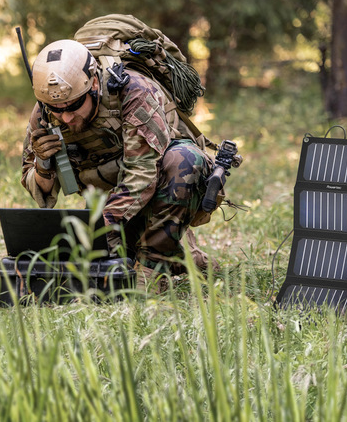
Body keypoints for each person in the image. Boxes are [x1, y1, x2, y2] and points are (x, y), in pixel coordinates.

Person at [21, 38, 219, 291]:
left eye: (74, 105)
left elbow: (143, 174)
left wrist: (97, 229)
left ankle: (154, 267)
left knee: (184, 159)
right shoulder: (44, 114)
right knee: (106, 266)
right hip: (111, 203)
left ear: (93, 84)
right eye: (57, 109)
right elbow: (39, 189)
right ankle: (185, 258)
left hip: (161, 191)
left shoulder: (133, 92)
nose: (67, 116)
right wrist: (43, 164)